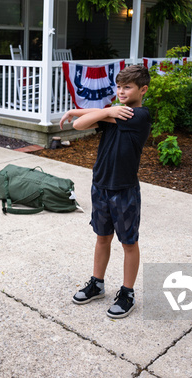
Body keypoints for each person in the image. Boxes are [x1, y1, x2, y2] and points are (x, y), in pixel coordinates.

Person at [59, 65, 151, 319]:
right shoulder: (115, 112)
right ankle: (97, 283)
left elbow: (80, 125)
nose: (121, 92)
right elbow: (96, 115)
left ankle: (127, 293)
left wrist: (97, 112)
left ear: (142, 89)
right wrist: (82, 110)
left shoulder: (140, 115)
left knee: (128, 242)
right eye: (119, 87)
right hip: (100, 184)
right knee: (102, 237)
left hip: (124, 189)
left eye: (127, 87)